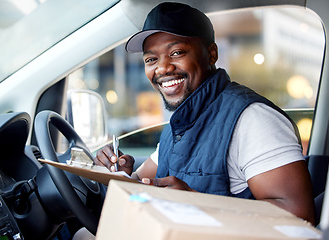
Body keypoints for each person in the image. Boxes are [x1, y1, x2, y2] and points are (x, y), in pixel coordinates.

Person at [94, 2, 315, 225]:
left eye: (177, 52)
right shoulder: (178, 125)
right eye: (151, 59)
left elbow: (299, 215)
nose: (162, 68)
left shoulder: (252, 119)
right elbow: (139, 183)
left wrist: (200, 205)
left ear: (211, 54)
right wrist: (119, 173)